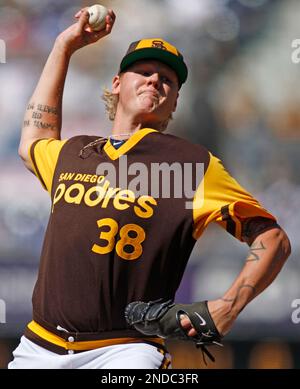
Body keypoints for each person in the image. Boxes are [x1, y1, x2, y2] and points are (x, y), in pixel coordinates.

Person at [10, 8, 291, 369]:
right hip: (38, 346)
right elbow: (34, 138)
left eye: (167, 80)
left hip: (124, 351)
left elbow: (272, 240)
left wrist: (229, 306)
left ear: (174, 101)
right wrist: (64, 46)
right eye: (143, 72)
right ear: (116, 84)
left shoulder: (191, 165)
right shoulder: (75, 152)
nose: (155, 81)